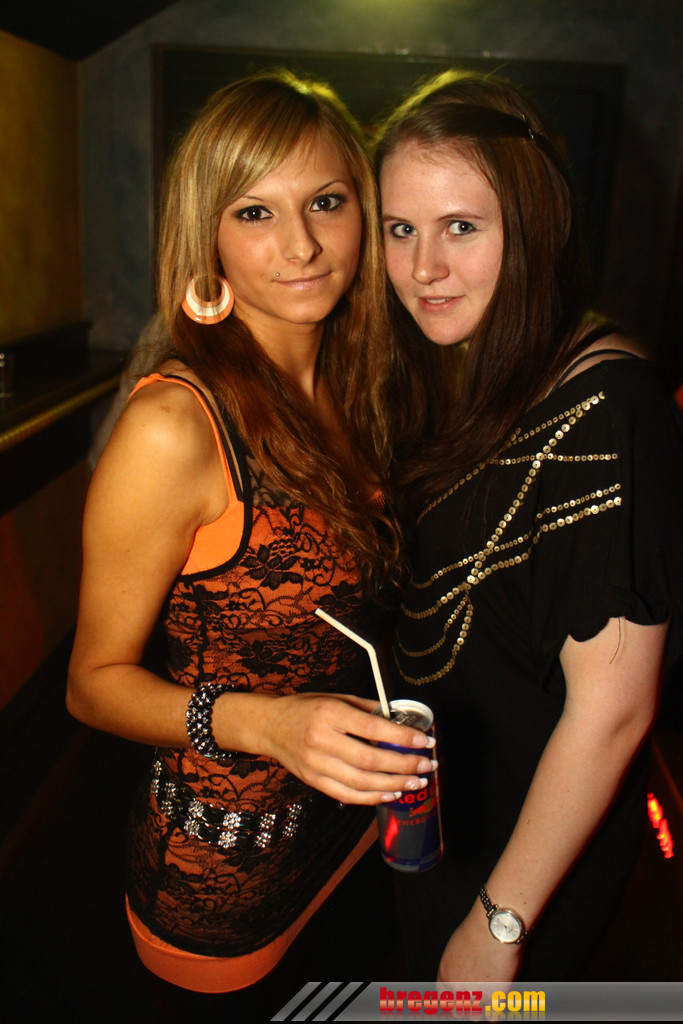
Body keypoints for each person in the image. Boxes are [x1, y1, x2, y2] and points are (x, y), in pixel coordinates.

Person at [67, 71, 437, 997]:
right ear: (209, 238)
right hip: (225, 878)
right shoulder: (175, 428)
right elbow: (91, 686)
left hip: (353, 833)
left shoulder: (367, 390)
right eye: (254, 212)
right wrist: (265, 724)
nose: (301, 244)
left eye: (326, 202)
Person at [375, 70, 683, 981]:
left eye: (461, 227)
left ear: (534, 224)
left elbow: (612, 712)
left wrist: (498, 923)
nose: (422, 268)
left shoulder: (609, 410)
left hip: (528, 865)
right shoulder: (473, 365)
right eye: (400, 229)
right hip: (443, 817)